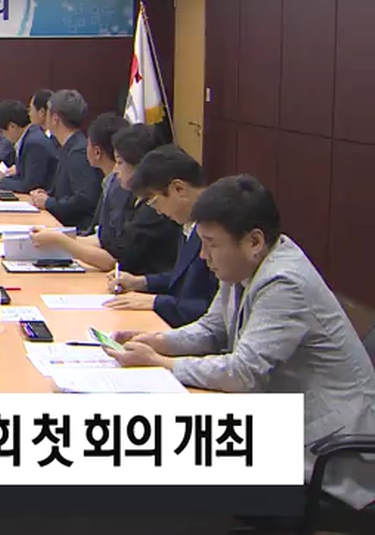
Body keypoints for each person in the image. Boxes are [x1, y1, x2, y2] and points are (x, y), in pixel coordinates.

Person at [106, 174, 375, 510]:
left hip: (325, 451)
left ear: (254, 241)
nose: (203, 255)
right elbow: (212, 329)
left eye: (211, 243)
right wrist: (159, 341)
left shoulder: (285, 282)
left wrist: (162, 363)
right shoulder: (245, 265)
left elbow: (243, 373)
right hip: (285, 424)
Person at [30, 123, 181, 275]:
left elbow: (111, 260)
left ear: (140, 166)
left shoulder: (153, 209)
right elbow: (106, 243)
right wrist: (55, 236)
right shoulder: (132, 197)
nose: (115, 170)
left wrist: (60, 240)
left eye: (120, 163)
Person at [104, 144, 219, 327]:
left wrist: (156, 302)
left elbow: (213, 310)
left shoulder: (218, 229)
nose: (157, 211)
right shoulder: (188, 222)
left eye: (154, 201)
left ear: (179, 189)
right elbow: (182, 278)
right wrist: (141, 282)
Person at [28, 89, 102, 230]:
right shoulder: (67, 146)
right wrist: (46, 195)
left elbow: (84, 199)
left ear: (55, 119)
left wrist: (49, 203)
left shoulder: (79, 152)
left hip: (76, 230)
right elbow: (66, 191)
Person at [0, 99, 57, 193]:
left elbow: (31, 185)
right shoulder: (30, 136)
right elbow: (22, 177)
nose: (3, 136)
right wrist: (3, 178)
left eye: (2, 132)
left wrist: (1, 181)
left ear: (12, 126)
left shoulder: (34, 143)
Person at [79, 113, 131, 236]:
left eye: (88, 144)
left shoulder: (120, 186)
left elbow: (109, 239)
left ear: (97, 152)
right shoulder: (109, 181)